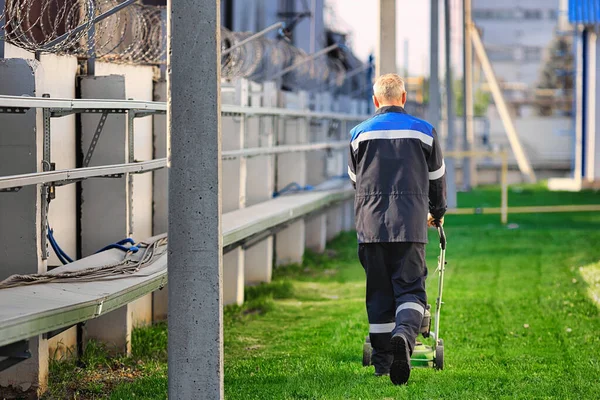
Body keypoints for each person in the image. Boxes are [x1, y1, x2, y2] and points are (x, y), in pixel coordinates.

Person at [347, 73, 447, 385]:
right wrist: (437, 213)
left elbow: (355, 180)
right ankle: (404, 336)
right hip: (410, 225)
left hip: (371, 227)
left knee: (378, 292)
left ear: (375, 100)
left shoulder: (358, 134)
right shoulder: (425, 132)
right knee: (411, 290)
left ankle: (381, 364)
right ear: (403, 98)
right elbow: (437, 180)